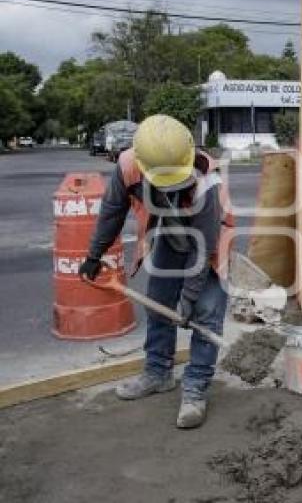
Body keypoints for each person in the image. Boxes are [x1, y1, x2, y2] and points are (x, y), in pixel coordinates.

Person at [79, 115, 232, 429]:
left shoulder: (207, 182)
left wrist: (189, 299)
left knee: (205, 312)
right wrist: (94, 254)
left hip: (208, 241)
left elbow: (202, 250)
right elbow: (112, 212)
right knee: (158, 303)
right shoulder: (128, 166)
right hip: (166, 233)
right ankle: (158, 372)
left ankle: (195, 387)